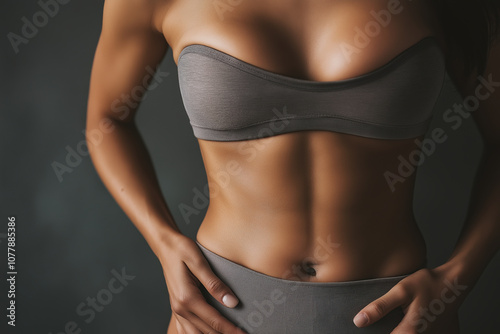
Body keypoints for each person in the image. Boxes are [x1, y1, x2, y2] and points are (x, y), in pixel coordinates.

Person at [86, 0, 500, 333]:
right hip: (223, 310)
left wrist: (456, 280)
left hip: (397, 316)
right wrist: (164, 243)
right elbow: (106, 121)